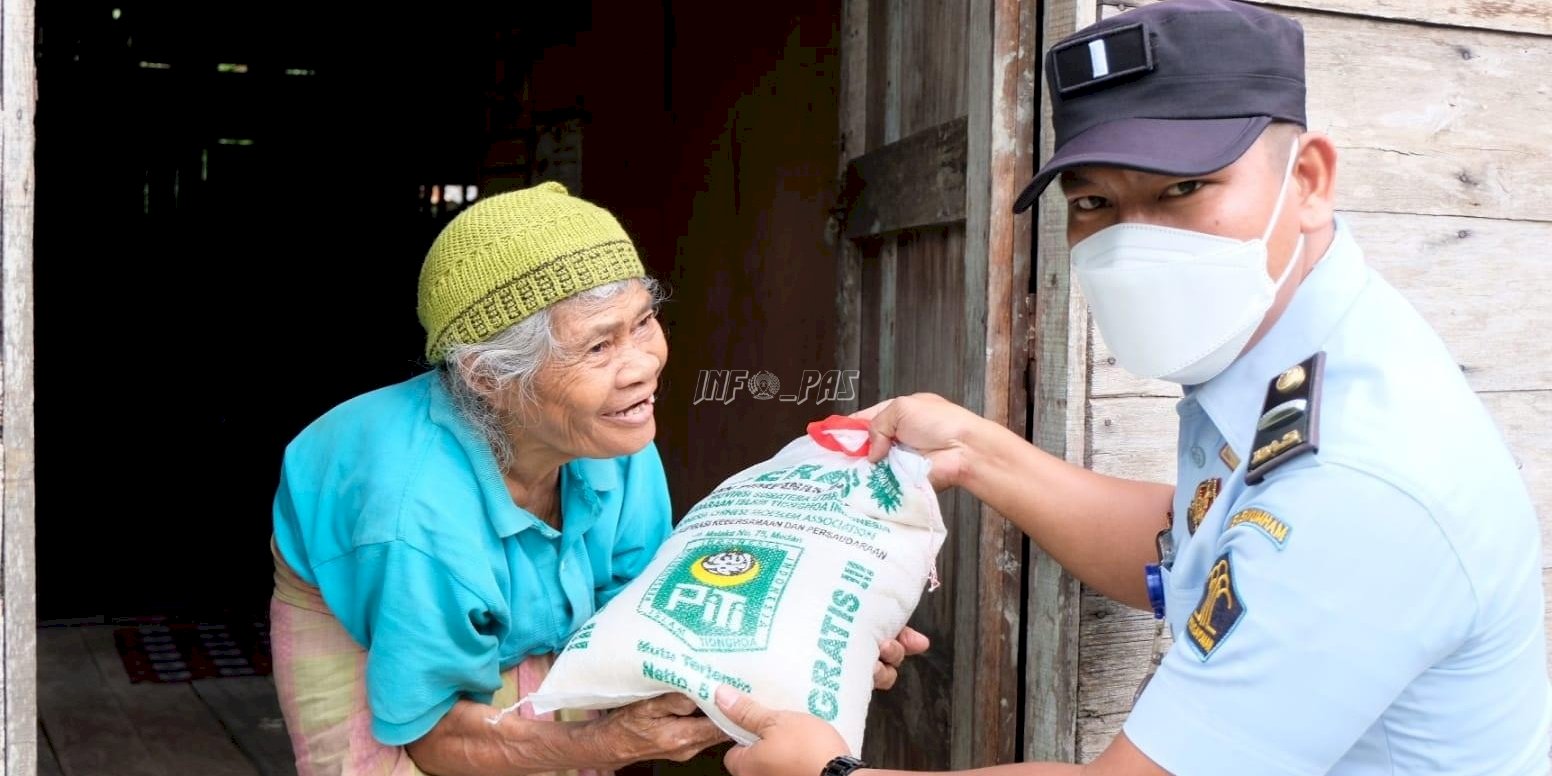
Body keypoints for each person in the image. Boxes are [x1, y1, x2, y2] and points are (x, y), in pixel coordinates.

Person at [708, 2, 1552, 775]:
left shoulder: (1362, 487)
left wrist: (829, 773)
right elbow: (1197, 542)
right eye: (1094, 202)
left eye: (1184, 188)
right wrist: (973, 449)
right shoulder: (1289, 351)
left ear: (1309, 180)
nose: (1135, 241)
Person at [267, 181, 927, 776]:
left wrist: (809, 647)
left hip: (481, 579)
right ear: (490, 379)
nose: (643, 365)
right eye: (598, 346)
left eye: (643, 321)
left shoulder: (614, 436)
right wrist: (607, 744)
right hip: (363, 581)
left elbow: (647, 631)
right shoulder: (412, 522)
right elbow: (432, 736)